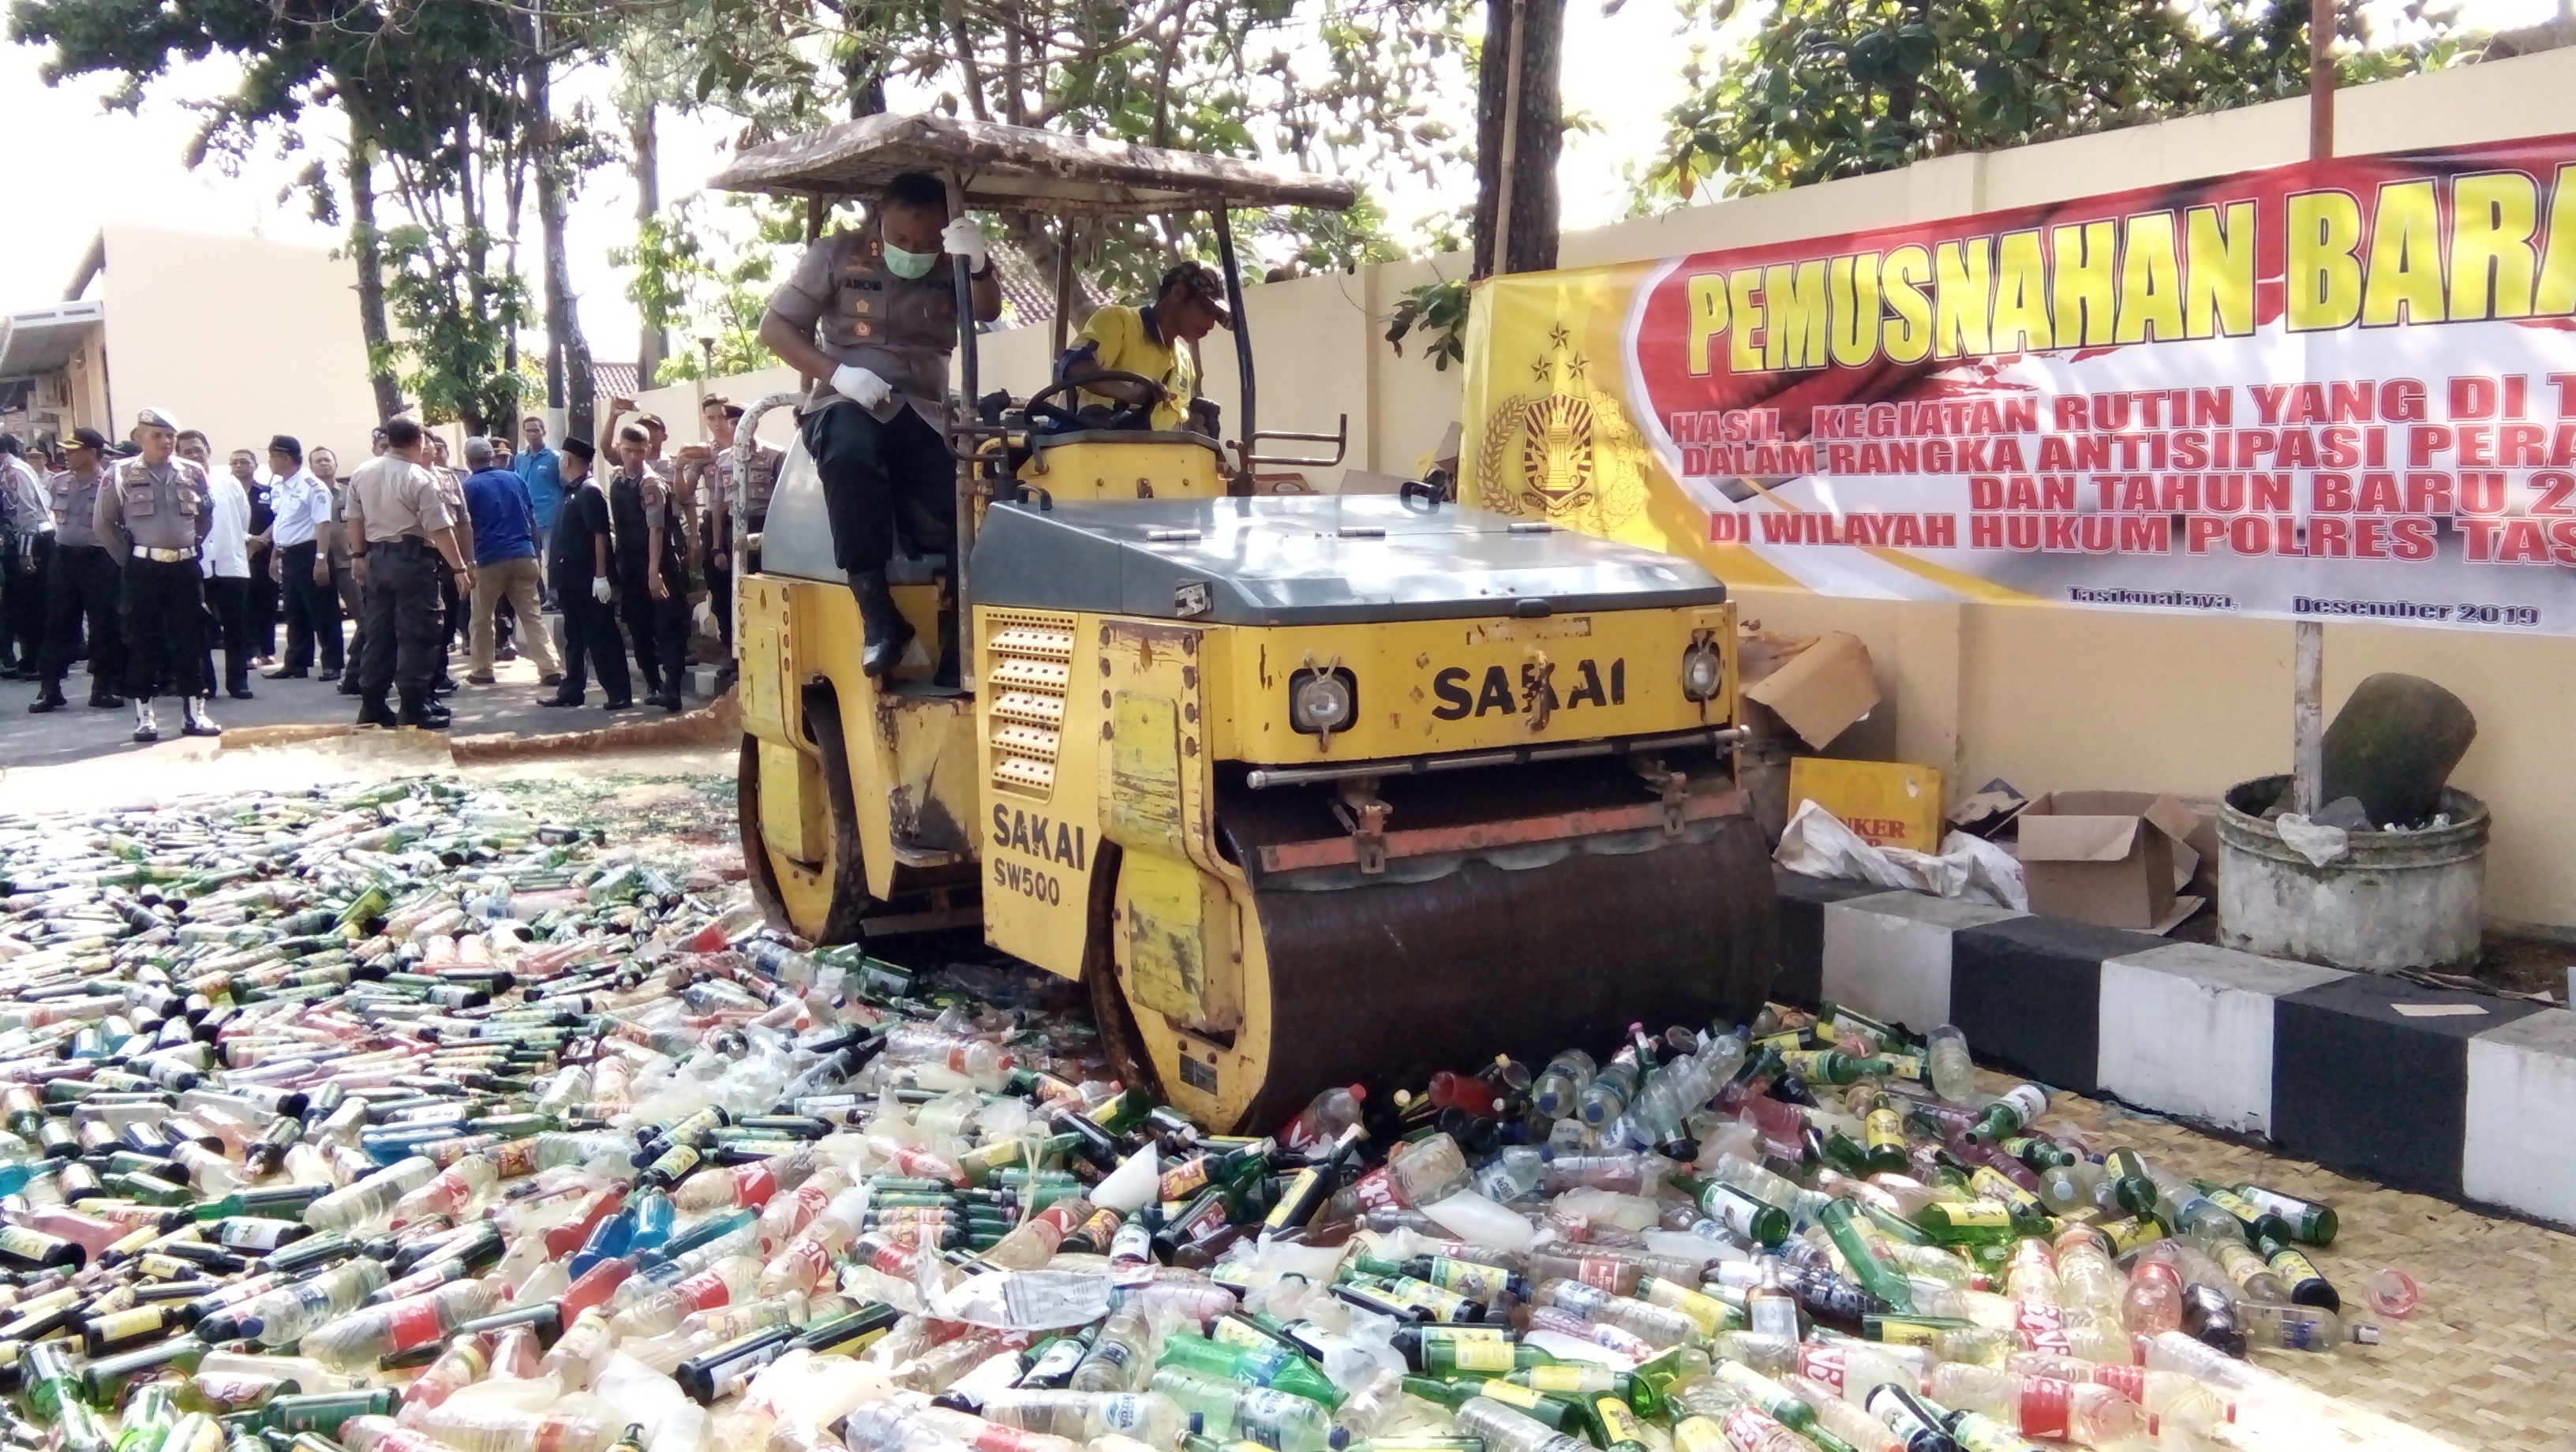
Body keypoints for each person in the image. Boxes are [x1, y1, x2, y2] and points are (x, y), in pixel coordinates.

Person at [758, 169, 1000, 679]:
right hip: (847, 401)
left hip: (927, 414)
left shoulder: (954, 257)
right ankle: (879, 617)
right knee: (848, 452)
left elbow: (987, 309)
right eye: (900, 238)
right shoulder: (835, 255)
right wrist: (837, 373)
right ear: (879, 222)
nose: (912, 249)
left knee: (975, 499)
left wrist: (978, 264)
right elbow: (775, 327)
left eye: (924, 241)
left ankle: (960, 641)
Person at [95, 409, 219, 742]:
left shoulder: (193, 472)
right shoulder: (120, 473)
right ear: (139, 436)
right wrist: (130, 560)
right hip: (143, 569)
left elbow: (207, 514)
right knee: (142, 640)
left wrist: (193, 543)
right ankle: (145, 717)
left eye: (170, 436)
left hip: (184, 566)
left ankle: (195, 714)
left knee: (190, 639)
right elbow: (104, 524)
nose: (165, 442)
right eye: (157, 435)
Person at [346, 418, 474, 729]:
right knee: (418, 634)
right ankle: (413, 708)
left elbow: (354, 519)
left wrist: (358, 555)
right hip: (413, 560)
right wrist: (459, 567)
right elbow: (439, 528)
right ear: (418, 441)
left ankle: (373, 704)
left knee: (379, 634)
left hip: (377, 557)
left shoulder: (363, 472)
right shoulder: (419, 477)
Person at [1055, 260, 1231, 435]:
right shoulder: (1120, 321)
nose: (1210, 325)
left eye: (1215, 318)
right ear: (1178, 293)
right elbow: (1074, 365)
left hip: (1144, 460)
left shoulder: (1185, 364)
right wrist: (1129, 393)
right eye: (1206, 310)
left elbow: (1172, 429)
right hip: (1079, 450)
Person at [684, 395, 781, 694]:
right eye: (732, 424)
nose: (738, 428)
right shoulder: (723, 460)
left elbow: (783, 500)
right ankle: (736, 655)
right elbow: (716, 505)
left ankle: (767, 656)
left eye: (742, 422)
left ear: (754, 423)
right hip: (730, 532)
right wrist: (715, 546)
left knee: (765, 595)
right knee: (729, 597)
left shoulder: (776, 455)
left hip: (766, 529)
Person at [28, 428, 123, 713]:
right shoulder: (58, 482)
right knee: (57, 622)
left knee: (104, 624)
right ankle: (50, 688)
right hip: (65, 558)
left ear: (92, 453)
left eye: (73, 450)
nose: (66, 455)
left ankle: (103, 688)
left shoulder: (112, 482)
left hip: (100, 558)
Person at [537, 436, 632, 711]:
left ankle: (619, 693)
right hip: (571, 582)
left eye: (561, 458)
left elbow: (600, 536)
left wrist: (601, 576)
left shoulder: (590, 491)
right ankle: (572, 690)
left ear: (567, 459)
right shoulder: (572, 491)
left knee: (601, 637)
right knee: (574, 638)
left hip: (587, 581)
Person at [459, 435, 560, 687]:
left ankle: (483, 670)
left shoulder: (469, 487)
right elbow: (531, 516)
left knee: (482, 617)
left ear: (469, 460)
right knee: (532, 615)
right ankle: (549, 668)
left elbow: (465, 526)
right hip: (524, 554)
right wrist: (535, 552)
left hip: (489, 558)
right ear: (491, 457)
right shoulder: (515, 478)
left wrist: (465, 561)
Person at [604, 423, 691, 709]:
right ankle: (653, 685)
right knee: (637, 624)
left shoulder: (650, 482)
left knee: (668, 626)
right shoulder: (619, 480)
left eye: (639, 451)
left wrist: (654, 572)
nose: (633, 457)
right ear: (621, 448)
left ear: (648, 450)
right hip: (629, 561)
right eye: (627, 450)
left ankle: (672, 689)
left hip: (657, 562)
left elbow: (656, 529)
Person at [264, 436, 341, 680]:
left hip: (310, 552)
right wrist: (275, 554)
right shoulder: (280, 487)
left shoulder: (312, 485)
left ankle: (332, 663)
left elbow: (323, 524)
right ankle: (296, 662)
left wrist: (320, 560)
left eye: (272, 457)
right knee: (294, 610)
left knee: (322, 609)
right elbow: (282, 524)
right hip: (289, 554)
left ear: (285, 458)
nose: (269, 462)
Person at [197, 446, 257, 702]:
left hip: (229, 563)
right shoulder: (177, 482)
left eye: (198, 451)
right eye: (187, 452)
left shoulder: (228, 482)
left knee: (236, 627)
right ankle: (204, 683)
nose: (194, 456)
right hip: (196, 565)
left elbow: (244, 517)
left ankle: (238, 682)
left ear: (209, 451)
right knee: (197, 628)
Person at [0, 433, 51, 679]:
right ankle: (30, 659)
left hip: (34, 542)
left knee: (31, 605)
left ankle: (37, 662)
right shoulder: (7, 469)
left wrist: (24, 553)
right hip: (22, 541)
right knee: (19, 605)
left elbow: (27, 514)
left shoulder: (14, 472)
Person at [514, 415, 563, 608]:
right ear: (524, 433)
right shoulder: (520, 458)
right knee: (531, 560)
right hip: (527, 518)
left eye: (536, 430)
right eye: (529, 430)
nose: (533, 433)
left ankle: (554, 597)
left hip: (550, 516)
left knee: (551, 560)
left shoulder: (554, 458)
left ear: (543, 432)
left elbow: (563, 484)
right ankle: (537, 596)